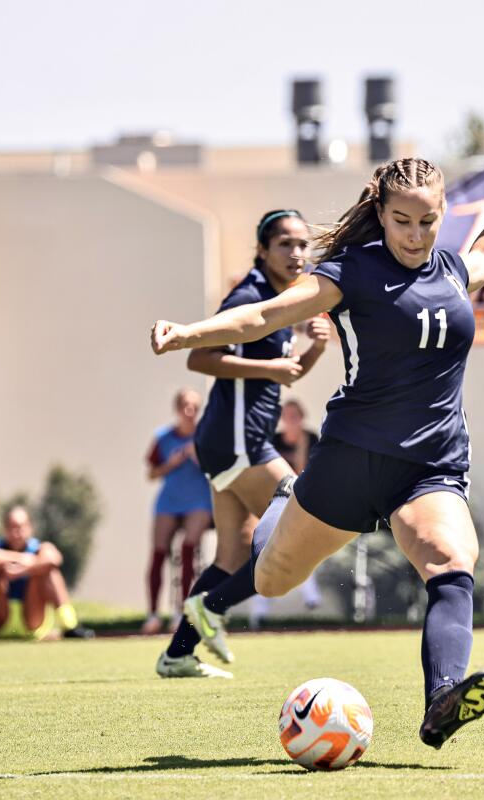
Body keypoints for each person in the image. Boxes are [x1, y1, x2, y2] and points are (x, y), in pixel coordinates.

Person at [151, 139, 484, 749]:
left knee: (451, 564)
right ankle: (250, 551)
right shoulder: (351, 271)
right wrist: (187, 334)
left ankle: (442, 699)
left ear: (441, 216)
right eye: (402, 220)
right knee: (274, 578)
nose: (415, 234)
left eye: (428, 221)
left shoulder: (454, 273)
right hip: (352, 461)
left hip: (431, 465)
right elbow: (263, 317)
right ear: (381, 214)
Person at [153, 209, 330, 679]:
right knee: (304, 517)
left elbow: (288, 375)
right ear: (263, 250)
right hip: (238, 442)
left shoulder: (281, 299)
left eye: (302, 245)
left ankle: (177, 654)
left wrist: (314, 348)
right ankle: (213, 607)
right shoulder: (250, 294)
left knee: (231, 557)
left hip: (231, 444)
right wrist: (269, 369)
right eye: (285, 244)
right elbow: (200, 359)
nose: (297, 253)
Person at [0, 505, 94, 644]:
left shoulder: (41, 547)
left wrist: (25, 570)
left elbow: (54, 559)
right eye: (12, 527)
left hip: (32, 620)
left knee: (49, 572)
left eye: (21, 527)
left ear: (30, 527)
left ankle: (70, 626)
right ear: (5, 529)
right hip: (0, 619)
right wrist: (20, 558)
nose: (17, 532)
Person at [143, 388, 213, 634]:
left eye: (194, 407)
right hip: (170, 501)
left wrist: (199, 458)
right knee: (158, 552)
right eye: (185, 406)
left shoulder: (206, 436)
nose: (189, 412)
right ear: (177, 409)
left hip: (199, 501)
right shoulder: (163, 438)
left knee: (188, 548)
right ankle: (152, 614)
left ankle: (181, 611)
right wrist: (170, 463)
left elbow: (218, 471)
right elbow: (151, 473)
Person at [250, 399, 323, 627]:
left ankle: (311, 595)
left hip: (302, 501)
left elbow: (304, 473)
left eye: (296, 416)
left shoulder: (310, 439)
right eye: (288, 416)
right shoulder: (275, 441)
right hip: (276, 502)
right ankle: (260, 610)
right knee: (268, 550)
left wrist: (301, 445)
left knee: (301, 547)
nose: (292, 420)